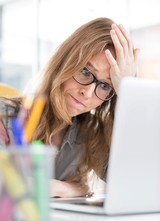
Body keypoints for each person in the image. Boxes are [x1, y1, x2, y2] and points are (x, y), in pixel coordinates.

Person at [0, 17, 139, 197]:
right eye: (85, 71)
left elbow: (135, 184)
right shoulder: (4, 117)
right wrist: (69, 188)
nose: (88, 93)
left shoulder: (91, 133)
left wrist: (128, 92)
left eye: (105, 86)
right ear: (65, 62)